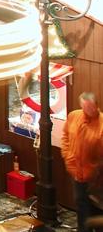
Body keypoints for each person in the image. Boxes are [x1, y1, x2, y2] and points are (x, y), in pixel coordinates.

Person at [63, 92, 103, 232]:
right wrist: (68, 158)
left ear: (96, 105)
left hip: (96, 178)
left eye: (91, 108)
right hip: (77, 173)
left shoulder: (102, 123)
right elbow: (65, 137)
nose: (89, 111)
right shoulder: (74, 116)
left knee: (96, 208)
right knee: (81, 205)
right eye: (86, 108)